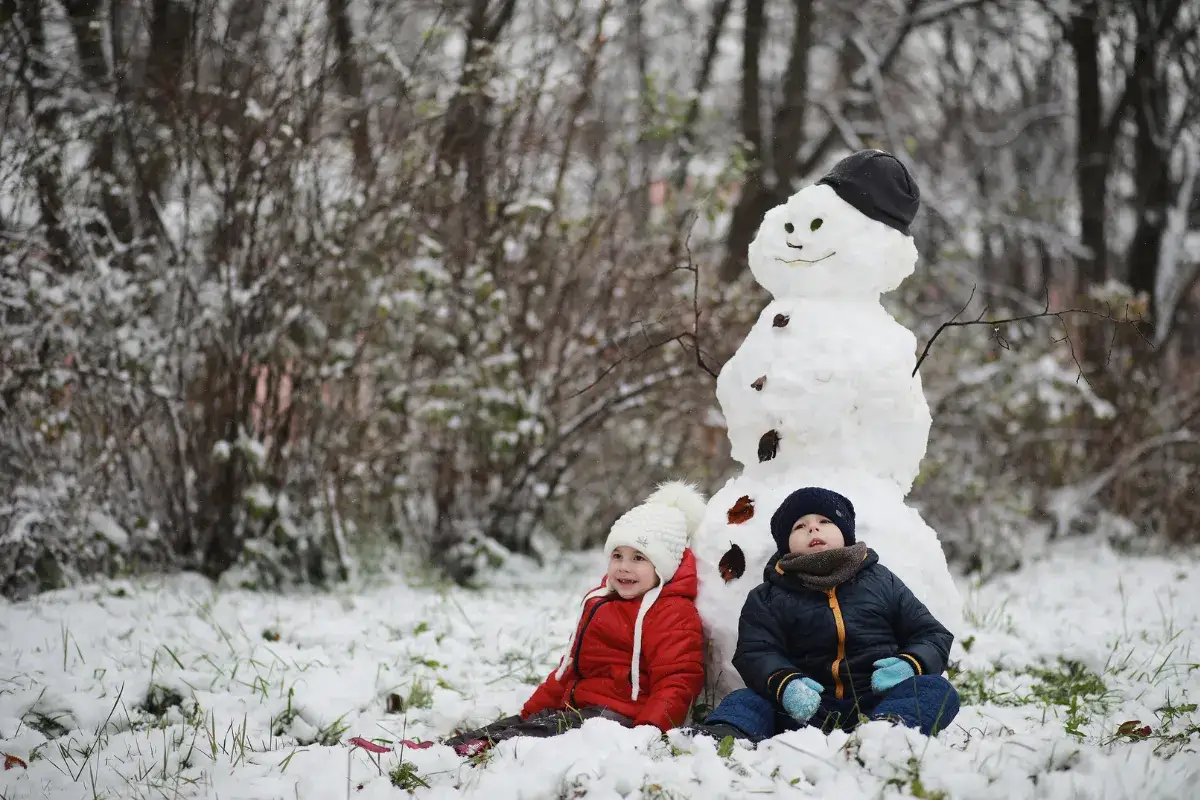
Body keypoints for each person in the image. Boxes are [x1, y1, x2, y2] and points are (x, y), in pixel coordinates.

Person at [442, 482, 708, 755]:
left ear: (663, 566)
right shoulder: (599, 602)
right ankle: (440, 751)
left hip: (619, 720)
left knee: (521, 740)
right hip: (578, 710)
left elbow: (677, 681)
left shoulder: (672, 613)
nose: (624, 566)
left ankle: (474, 751)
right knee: (514, 727)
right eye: (617, 555)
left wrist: (646, 735)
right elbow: (568, 668)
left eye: (638, 557)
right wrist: (530, 713)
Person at [694, 487, 959, 743]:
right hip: (805, 709)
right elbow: (755, 651)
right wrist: (786, 685)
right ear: (785, 544)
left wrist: (910, 664)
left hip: (878, 700)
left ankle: (886, 734)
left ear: (846, 534)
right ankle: (725, 735)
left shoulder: (881, 582)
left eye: (825, 520)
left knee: (937, 690)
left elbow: (931, 633)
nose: (813, 528)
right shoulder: (768, 596)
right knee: (746, 700)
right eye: (799, 526)